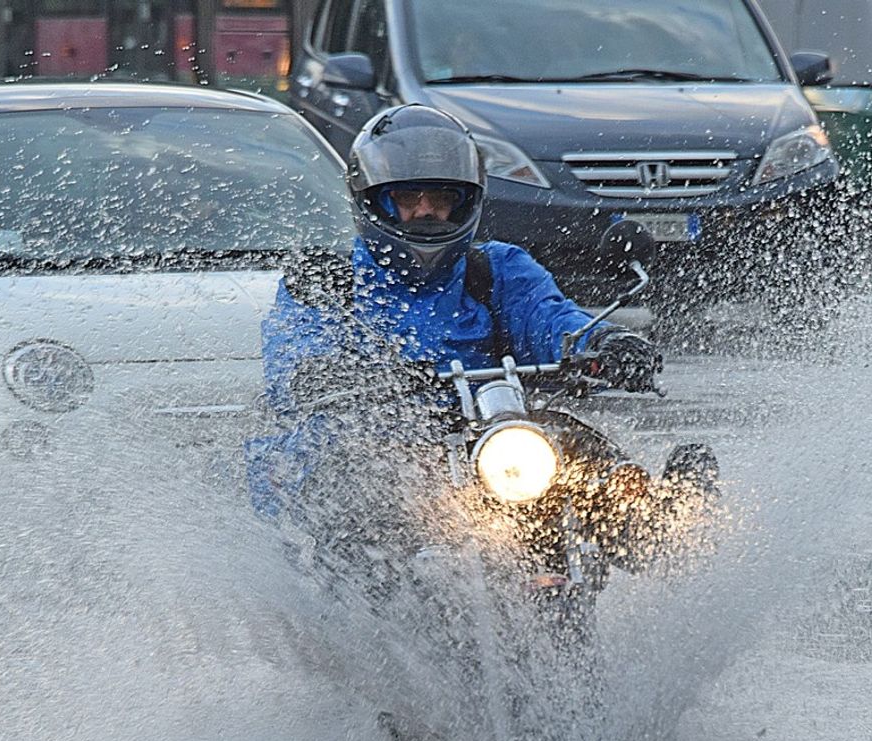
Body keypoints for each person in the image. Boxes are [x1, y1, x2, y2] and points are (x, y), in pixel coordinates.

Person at [247, 104, 662, 527]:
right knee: (352, 486)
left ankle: (660, 524)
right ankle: (364, 584)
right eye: (408, 197)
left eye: (442, 198)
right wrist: (327, 373)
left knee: (583, 457)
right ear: (373, 200)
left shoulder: (497, 267)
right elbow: (297, 350)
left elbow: (550, 316)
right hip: (364, 440)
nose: (426, 211)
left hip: (489, 435)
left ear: (465, 202)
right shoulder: (326, 281)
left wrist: (604, 343)